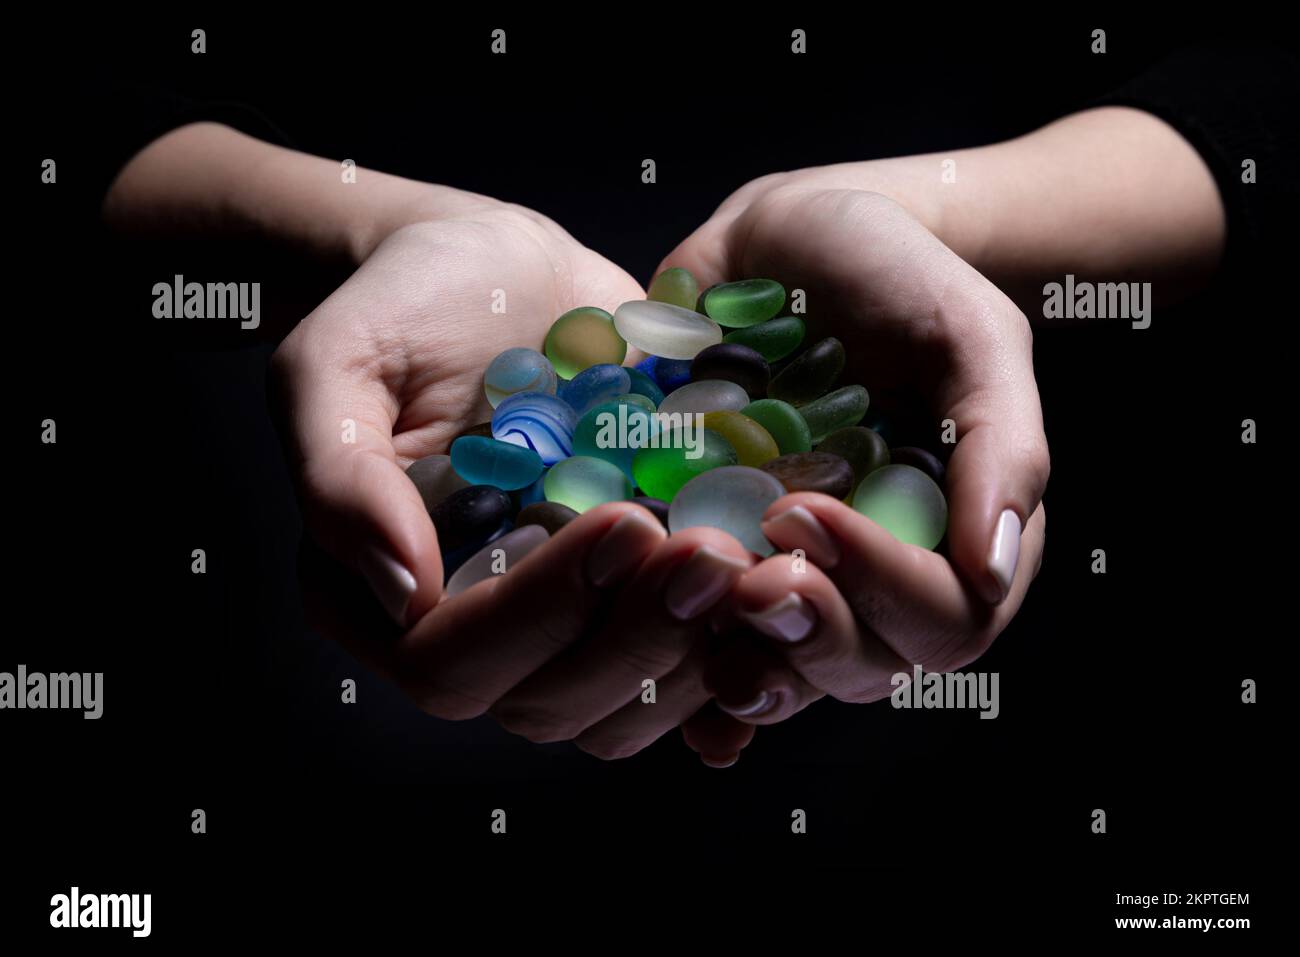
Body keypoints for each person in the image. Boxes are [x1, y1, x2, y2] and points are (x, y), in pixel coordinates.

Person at [88, 46, 1296, 767]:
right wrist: (362, 232)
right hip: (268, 725)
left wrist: (954, 221)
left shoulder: (800, 406)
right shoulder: (559, 429)